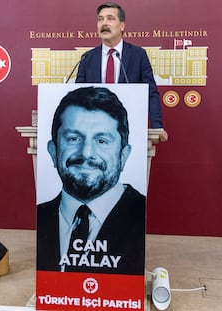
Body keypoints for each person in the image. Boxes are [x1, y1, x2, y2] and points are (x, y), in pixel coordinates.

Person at [37, 86, 145, 275]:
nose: (86, 153)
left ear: (123, 156)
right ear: (53, 151)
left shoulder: (141, 216)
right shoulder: (41, 217)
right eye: (73, 138)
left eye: (102, 141)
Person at [76, 2, 168, 142]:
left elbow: (151, 93)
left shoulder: (138, 55)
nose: (104, 23)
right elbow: (78, 95)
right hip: (93, 130)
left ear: (122, 26)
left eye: (110, 18)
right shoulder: (87, 58)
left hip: (130, 128)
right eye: (100, 19)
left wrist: (157, 126)